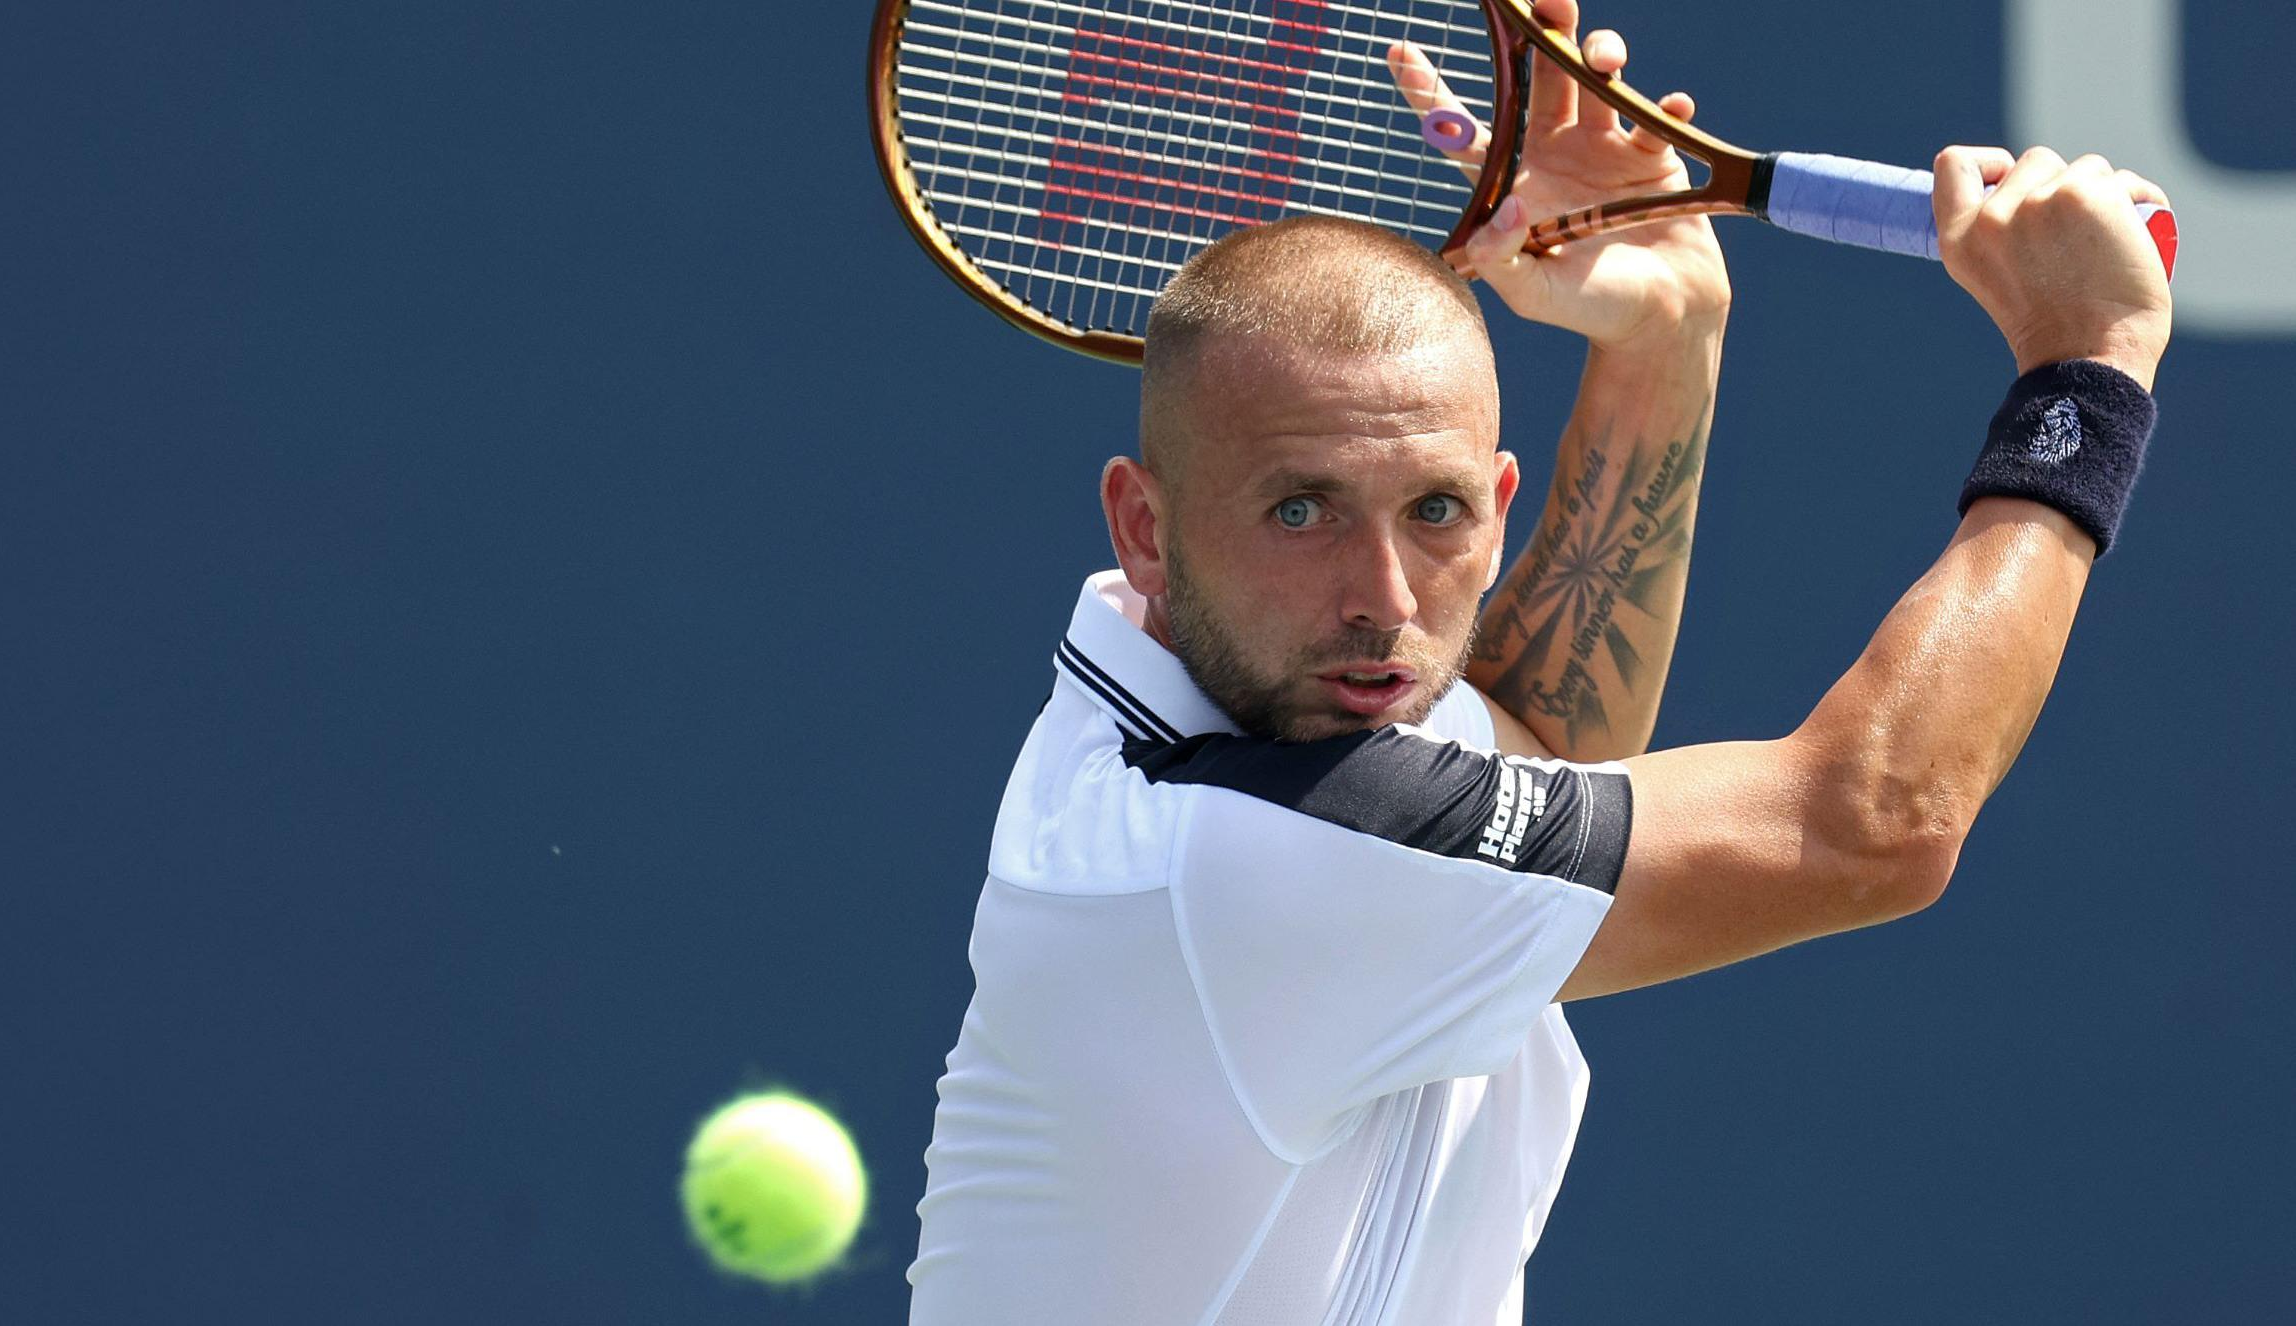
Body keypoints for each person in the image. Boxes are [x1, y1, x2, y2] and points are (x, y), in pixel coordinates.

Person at [905, 4, 2175, 1321]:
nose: (1384, 598)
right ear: (1143, 527)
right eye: (1301, 510)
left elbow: (1518, 753)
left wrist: (1662, 342)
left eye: (1438, 512)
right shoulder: (1237, 854)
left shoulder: (1206, 719)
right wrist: (2088, 373)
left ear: (1502, 498)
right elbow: (1873, 819)